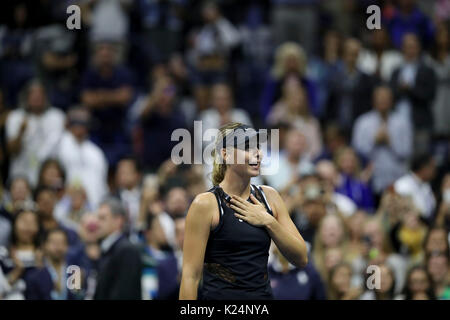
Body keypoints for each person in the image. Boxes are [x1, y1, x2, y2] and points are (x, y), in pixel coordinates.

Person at [179, 122, 308, 300]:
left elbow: (301, 258)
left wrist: (268, 221)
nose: (258, 153)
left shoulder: (269, 197)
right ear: (226, 154)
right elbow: (190, 276)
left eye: (258, 147)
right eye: (247, 147)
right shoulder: (206, 204)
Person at [352, 85, 413, 197]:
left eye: (386, 98)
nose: (383, 101)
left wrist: (391, 143)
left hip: (396, 177)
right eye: (380, 98)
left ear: (392, 101)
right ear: (373, 100)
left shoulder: (402, 122)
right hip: (370, 179)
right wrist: (374, 141)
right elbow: (356, 152)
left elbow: (407, 151)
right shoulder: (362, 122)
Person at [6, 80, 65, 186]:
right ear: (26, 97)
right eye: (33, 95)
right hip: (21, 172)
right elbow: (11, 151)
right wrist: (20, 132)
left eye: (40, 95)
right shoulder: (16, 117)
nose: (36, 98)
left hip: (48, 174)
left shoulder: (57, 116)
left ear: (46, 97)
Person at [55, 107, 109, 208]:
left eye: (83, 124)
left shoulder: (96, 152)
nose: (79, 127)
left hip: (92, 204)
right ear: (69, 124)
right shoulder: (61, 144)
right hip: (65, 204)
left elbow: (101, 184)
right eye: (76, 123)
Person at [94, 198, 142, 300]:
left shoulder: (127, 251)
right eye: (97, 218)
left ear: (118, 221)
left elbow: (124, 294)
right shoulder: (105, 249)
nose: (97, 223)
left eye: (102, 218)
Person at [26, 228, 80, 300]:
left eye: (62, 242)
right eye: (54, 242)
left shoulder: (74, 271)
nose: (58, 247)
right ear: (44, 245)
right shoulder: (34, 274)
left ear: (67, 246)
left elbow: (78, 296)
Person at [393, 154, 437, 223]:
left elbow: (431, 209)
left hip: (427, 224)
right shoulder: (403, 185)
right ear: (424, 168)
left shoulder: (426, 185)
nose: (435, 170)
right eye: (432, 167)